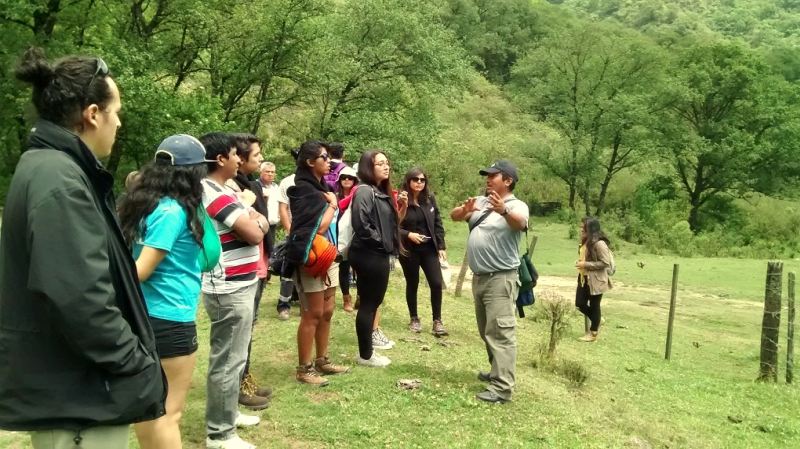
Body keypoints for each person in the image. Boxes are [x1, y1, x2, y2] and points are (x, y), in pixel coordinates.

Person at [0, 48, 165, 448]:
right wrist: (133, 362)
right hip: (80, 400)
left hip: (79, 390)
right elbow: (78, 297)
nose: (119, 122)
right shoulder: (59, 180)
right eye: (116, 111)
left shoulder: (53, 167)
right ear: (93, 114)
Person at [118, 134, 210, 449]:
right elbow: (141, 269)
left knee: (149, 410)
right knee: (169, 414)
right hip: (170, 319)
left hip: (142, 315)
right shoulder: (172, 212)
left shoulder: (143, 205)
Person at [199, 132, 269, 449]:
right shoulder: (214, 194)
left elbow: (257, 222)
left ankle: (229, 414)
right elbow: (255, 232)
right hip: (228, 288)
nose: (239, 159)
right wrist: (255, 219)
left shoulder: (223, 190)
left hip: (239, 283)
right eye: (234, 154)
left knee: (235, 357)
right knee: (227, 361)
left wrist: (254, 218)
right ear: (220, 160)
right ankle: (220, 433)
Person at [450, 160, 529, 404]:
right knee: (488, 330)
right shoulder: (481, 201)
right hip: (481, 277)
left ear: (508, 180)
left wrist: (503, 210)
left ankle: (503, 388)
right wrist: (465, 210)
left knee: (501, 332)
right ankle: (496, 372)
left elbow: (521, 223)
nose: (488, 179)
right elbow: (454, 215)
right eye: (487, 175)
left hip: (501, 278)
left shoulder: (517, 205)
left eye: (493, 175)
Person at [285, 140, 350, 385]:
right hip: (311, 258)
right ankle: (304, 368)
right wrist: (332, 205)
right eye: (324, 157)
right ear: (311, 162)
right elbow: (319, 227)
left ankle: (323, 360)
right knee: (312, 314)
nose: (329, 161)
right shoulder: (303, 190)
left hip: (328, 255)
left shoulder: (320, 187)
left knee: (327, 312)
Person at [350, 150, 408, 367]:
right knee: (369, 304)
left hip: (375, 253)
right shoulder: (365, 191)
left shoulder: (379, 191)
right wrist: (381, 243)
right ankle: (366, 355)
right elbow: (361, 223)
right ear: (368, 167)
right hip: (369, 254)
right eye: (380, 163)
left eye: (387, 163)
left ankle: (366, 352)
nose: (386, 167)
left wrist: (401, 207)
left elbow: (392, 225)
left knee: (371, 303)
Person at [228, 133, 272, 410]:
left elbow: (264, 223)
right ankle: (237, 387)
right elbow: (252, 226)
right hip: (245, 266)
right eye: (256, 155)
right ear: (240, 158)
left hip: (259, 262)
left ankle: (245, 378)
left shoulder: (249, 185)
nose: (260, 159)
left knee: (249, 327)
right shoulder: (234, 188)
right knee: (240, 331)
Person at [398, 167, 448, 336]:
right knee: (413, 283)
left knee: (436, 282)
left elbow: (438, 222)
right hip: (409, 249)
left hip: (428, 248)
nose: (419, 182)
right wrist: (408, 235)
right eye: (415, 179)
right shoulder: (400, 198)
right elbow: (392, 225)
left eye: (422, 180)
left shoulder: (429, 198)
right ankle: (414, 318)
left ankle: (437, 320)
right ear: (408, 181)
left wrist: (441, 246)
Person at [574, 216, 613, 342]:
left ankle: (593, 333)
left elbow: (605, 262)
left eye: (583, 227)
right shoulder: (585, 241)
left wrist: (585, 265)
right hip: (583, 278)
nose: (581, 229)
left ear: (590, 229)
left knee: (595, 306)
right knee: (579, 303)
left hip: (596, 280)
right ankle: (598, 320)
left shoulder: (599, 243)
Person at [335, 165, 359, 312]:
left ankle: (361, 296)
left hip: (356, 235)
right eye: (344, 177)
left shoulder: (359, 195)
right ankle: (346, 298)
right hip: (340, 237)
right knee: (344, 267)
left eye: (350, 177)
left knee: (360, 267)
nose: (347, 180)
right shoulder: (335, 196)